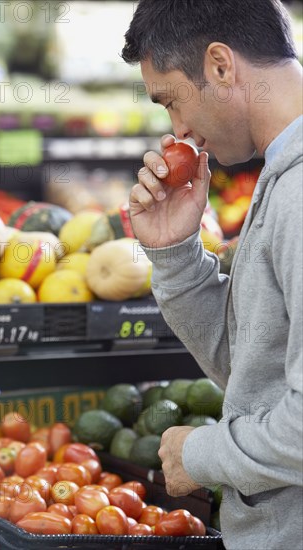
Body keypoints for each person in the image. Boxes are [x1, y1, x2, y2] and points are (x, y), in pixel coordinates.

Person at [121, 1, 303, 549]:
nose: (178, 130)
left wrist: (200, 454)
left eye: (172, 101)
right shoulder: (280, 178)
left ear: (221, 65)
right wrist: (176, 254)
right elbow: (257, 369)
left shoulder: (298, 195)